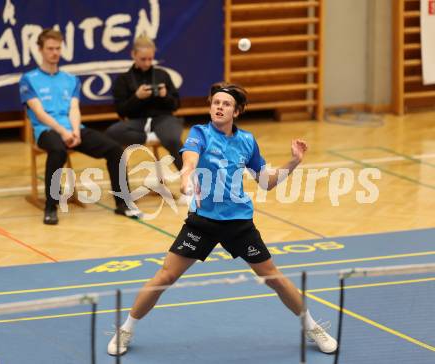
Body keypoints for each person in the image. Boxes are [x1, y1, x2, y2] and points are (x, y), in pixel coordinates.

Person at [107, 83, 338, 356]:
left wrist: (294, 162)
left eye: (226, 104)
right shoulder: (199, 133)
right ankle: (126, 329)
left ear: (236, 111)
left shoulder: (247, 141)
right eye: (215, 102)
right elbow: (190, 161)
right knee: (164, 277)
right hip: (202, 222)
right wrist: (185, 177)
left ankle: (312, 326)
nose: (219, 107)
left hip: (239, 223)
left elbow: (266, 183)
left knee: (274, 278)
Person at [19, 29, 139, 225]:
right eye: (50, 48)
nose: (55, 52)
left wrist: (75, 131)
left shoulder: (70, 79)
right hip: (46, 131)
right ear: (40, 50)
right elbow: (39, 113)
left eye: (58, 48)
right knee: (58, 150)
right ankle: (51, 207)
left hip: (73, 129)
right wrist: (63, 132)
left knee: (115, 150)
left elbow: (74, 108)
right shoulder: (28, 79)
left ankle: (123, 204)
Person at [106, 35, 183, 172]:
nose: (147, 63)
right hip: (137, 122)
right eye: (143, 59)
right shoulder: (123, 79)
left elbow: (176, 105)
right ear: (133, 55)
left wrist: (165, 96)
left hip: (163, 119)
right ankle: (152, 136)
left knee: (172, 139)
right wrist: (136, 97)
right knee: (112, 132)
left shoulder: (162, 74)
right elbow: (121, 111)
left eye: (150, 59)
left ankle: (190, 182)